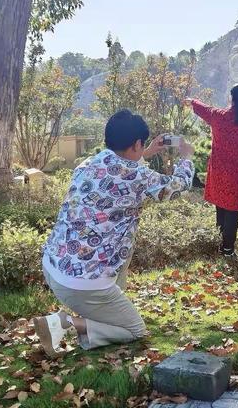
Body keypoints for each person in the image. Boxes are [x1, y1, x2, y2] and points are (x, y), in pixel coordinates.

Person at [34, 109, 194, 357]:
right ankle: (63, 323)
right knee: (135, 330)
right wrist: (186, 157)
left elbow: (121, 172)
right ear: (136, 144)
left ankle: (91, 315)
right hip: (83, 284)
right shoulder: (137, 176)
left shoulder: (89, 163)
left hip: (54, 267)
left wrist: (146, 152)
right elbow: (178, 187)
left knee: (116, 263)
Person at [185, 84, 238, 258]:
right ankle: (227, 248)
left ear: (231, 98)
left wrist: (191, 102)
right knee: (233, 210)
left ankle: (220, 243)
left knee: (221, 206)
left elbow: (204, 109)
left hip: (219, 172)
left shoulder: (218, 117)